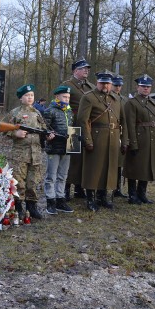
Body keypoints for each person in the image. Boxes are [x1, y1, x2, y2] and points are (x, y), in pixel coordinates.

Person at [77, 71, 128, 211]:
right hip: (96, 137)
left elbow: (123, 121)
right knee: (93, 169)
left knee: (109, 168)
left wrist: (124, 140)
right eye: (102, 82)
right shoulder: (88, 97)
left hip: (113, 137)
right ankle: (90, 199)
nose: (105, 85)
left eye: (108, 83)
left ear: (111, 84)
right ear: (97, 82)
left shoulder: (116, 99)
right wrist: (88, 140)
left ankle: (103, 196)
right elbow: (83, 120)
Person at [1, 84, 52, 220]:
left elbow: (43, 129)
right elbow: (2, 128)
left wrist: (48, 136)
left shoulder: (37, 112)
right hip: (20, 154)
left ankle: (32, 207)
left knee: (33, 182)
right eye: (27, 95)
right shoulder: (15, 113)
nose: (30, 98)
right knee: (18, 182)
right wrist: (14, 133)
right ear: (21, 98)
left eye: (32, 95)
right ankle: (18, 207)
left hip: (35, 154)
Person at [123, 74, 155, 204]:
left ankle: (142, 194)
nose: (146, 89)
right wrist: (133, 143)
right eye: (143, 86)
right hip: (139, 139)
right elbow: (130, 124)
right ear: (137, 87)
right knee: (134, 168)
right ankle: (132, 195)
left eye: (148, 87)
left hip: (153, 139)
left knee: (147, 167)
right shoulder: (132, 103)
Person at [61, 58, 96, 200]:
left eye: (87, 68)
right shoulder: (67, 86)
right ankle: (66, 189)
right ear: (75, 70)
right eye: (83, 68)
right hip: (73, 127)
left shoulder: (91, 87)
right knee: (72, 159)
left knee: (84, 159)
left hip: (87, 126)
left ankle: (79, 188)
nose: (86, 70)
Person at [43, 85, 74, 215]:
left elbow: (72, 127)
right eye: (64, 97)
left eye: (68, 97)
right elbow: (44, 128)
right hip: (54, 148)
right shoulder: (50, 110)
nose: (66, 99)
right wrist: (48, 135)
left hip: (67, 148)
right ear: (57, 97)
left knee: (63, 175)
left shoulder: (69, 111)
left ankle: (60, 199)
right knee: (51, 176)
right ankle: (50, 201)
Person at [111, 74, 128, 198]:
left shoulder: (124, 100)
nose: (117, 88)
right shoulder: (107, 98)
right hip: (110, 132)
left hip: (121, 132)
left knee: (119, 163)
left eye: (119, 85)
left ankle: (117, 188)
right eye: (115, 85)